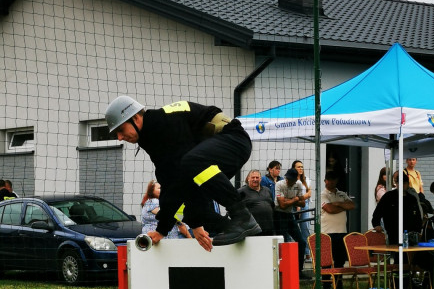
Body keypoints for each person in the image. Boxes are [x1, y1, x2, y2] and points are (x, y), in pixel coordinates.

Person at [104, 96, 261, 251]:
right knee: (196, 202)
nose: (119, 138)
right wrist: (162, 230)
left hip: (234, 140)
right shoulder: (151, 137)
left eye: (120, 130)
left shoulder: (163, 124)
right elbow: (169, 181)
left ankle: (242, 217)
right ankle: (233, 228)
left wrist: (193, 222)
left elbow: (180, 176)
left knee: (190, 169)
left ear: (135, 118)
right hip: (212, 155)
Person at [371, 171, 421, 245]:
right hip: (393, 232)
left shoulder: (412, 199)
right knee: (394, 250)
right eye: (399, 183)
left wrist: (418, 230)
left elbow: (418, 216)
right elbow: (377, 212)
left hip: (410, 234)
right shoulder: (388, 196)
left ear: (408, 184)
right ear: (396, 184)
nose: (402, 185)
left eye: (404, 183)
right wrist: (376, 224)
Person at [274, 167, 308, 276]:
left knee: (301, 242)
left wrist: (289, 201)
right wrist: (295, 199)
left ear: (295, 179)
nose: (288, 181)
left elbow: (303, 203)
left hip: (289, 215)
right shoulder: (279, 184)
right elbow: (282, 205)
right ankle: (283, 272)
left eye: (290, 180)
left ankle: (299, 271)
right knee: (282, 242)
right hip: (278, 215)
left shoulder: (298, 184)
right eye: (287, 179)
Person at [321, 171, 356, 268]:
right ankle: (326, 278)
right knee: (326, 261)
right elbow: (330, 209)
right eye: (329, 180)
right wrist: (344, 207)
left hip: (341, 231)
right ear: (325, 181)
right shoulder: (322, 195)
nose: (331, 182)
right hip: (327, 232)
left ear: (337, 180)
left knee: (340, 260)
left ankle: (338, 278)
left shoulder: (342, 194)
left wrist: (338, 203)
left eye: (333, 180)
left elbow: (352, 205)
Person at [238, 170, 275, 235]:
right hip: (252, 230)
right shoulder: (241, 191)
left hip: (268, 229)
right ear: (248, 179)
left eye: (257, 177)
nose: (255, 179)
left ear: (260, 179)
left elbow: (272, 206)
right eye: (253, 177)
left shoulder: (267, 190)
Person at [292, 159, 312, 260]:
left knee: (305, 228)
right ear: (294, 168)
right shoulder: (291, 180)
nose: (301, 169)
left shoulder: (306, 179)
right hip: (293, 205)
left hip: (305, 205)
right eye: (298, 167)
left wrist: (301, 199)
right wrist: (300, 199)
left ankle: (307, 252)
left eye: (302, 167)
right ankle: (294, 252)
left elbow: (309, 193)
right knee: (293, 228)